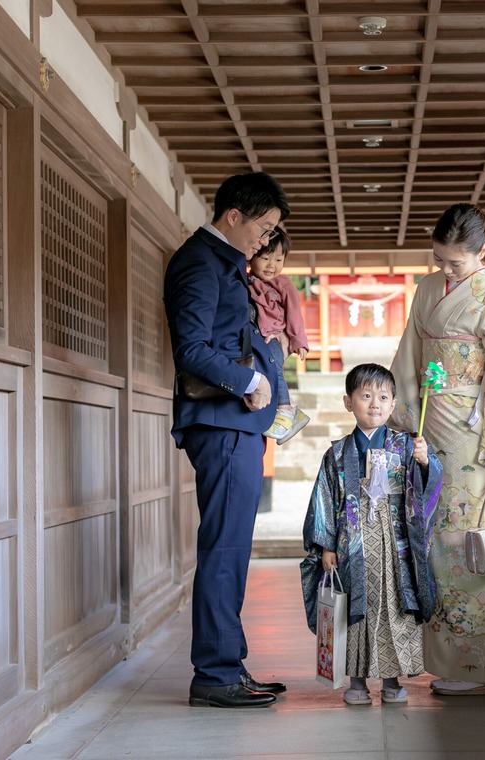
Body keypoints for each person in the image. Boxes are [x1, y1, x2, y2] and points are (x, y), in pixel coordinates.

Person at [389, 203, 485, 696]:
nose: (445, 270)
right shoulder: (427, 289)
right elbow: (409, 352)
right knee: (434, 543)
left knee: (474, 544)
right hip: (431, 430)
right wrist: (403, 420)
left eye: (456, 262)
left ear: (482, 253)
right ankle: (451, 665)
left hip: (476, 436)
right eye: (439, 259)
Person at [162, 172, 290, 708]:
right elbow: (190, 348)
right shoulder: (200, 261)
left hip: (237, 425)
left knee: (232, 551)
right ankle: (214, 675)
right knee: (224, 549)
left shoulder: (227, 265)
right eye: (262, 229)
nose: (265, 241)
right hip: (222, 423)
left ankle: (227, 665)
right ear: (233, 216)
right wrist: (251, 380)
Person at [300, 363, 443, 706]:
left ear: (393, 405)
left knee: (393, 607)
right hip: (352, 547)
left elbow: (430, 486)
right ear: (349, 402)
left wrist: (425, 463)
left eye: (382, 397)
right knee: (355, 610)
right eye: (365, 396)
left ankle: (392, 681)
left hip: (395, 546)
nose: (374, 404)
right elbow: (324, 498)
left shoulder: (407, 446)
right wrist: (326, 545)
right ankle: (358, 682)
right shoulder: (336, 453)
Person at [248, 227, 311, 444]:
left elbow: (294, 312)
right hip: (259, 337)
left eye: (278, 259)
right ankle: (287, 414)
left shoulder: (283, 283)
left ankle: (285, 409)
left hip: (274, 335)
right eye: (265, 258)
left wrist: (297, 339)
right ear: (252, 256)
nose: (271, 265)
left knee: (275, 370)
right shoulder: (246, 281)